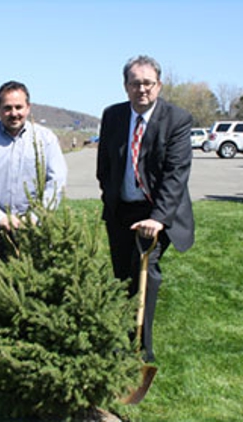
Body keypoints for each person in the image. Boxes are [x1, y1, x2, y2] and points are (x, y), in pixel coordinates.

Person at [96, 55, 195, 362]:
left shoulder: (176, 119)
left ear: (159, 85)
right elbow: (105, 166)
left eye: (148, 83)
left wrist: (158, 218)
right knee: (123, 276)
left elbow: (175, 175)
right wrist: (109, 197)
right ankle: (124, 336)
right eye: (135, 83)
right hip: (121, 212)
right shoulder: (112, 116)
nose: (142, 90)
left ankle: (142, 350)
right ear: (126, 86)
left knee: (145, 274)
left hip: (156, 213)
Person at [0, 80, 67, 261]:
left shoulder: (46, 139)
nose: (14, 113)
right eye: (7, 108)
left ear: (28, 107)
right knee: (0, 284)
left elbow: (56, 181)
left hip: (37, 228)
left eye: (19, 107)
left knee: (37, 287)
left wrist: (36, 217)